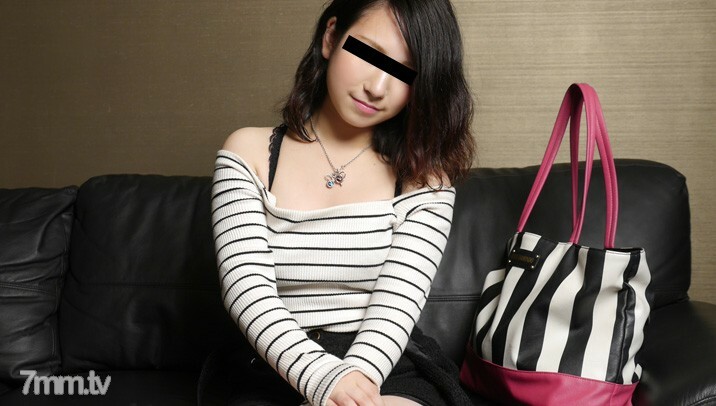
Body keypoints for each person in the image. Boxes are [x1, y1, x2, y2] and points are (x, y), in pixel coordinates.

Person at [211, 0, 475, 404]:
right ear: (331, 36)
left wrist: (353, 386)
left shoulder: (424, 181)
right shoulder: (249, 152)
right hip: (270, 361)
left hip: (380, 363)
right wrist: (322, 379)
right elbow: (246, 288)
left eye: (404, 73)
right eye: (369, 54)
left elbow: (395, 309)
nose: (378, 87)